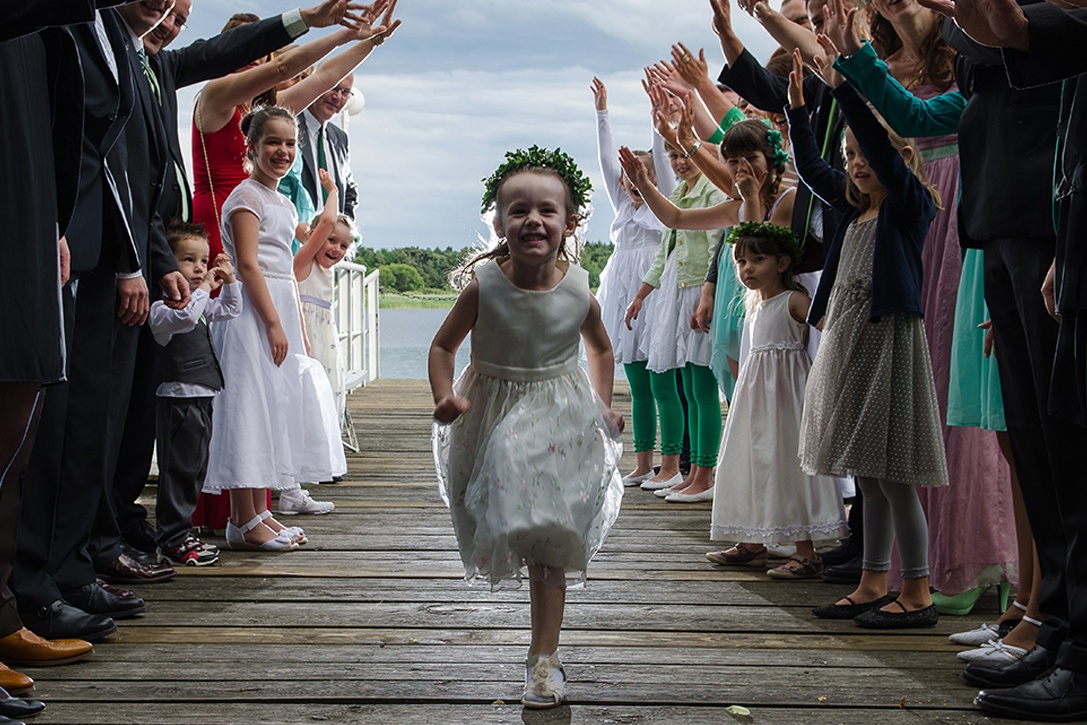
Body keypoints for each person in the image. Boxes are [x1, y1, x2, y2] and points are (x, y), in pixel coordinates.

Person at [106, 0, 360, 561]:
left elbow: (314, 79)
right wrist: (327, 25)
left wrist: (362, 42)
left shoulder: (255, 113)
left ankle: (250, 505)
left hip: (251, 256)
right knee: (209, 381)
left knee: (251, 387)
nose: (268, 65)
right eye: (259, 56)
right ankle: (208, 512)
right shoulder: (215, 99)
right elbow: (279, 71)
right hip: (214, 238)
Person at [429, 146, 625, 709]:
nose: (532, 220)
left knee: (548, 538)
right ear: (498, 220)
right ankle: (540, 647)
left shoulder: (579, 290)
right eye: (518, 210)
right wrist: (445, 394)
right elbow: (443, 345)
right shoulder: (485, 285)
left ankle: (544, 660)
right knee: (513, 513)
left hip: (558, 412)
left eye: (547, 210)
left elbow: (602, 350)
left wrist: (603, 406)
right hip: (491, 406)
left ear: (569, 222)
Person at [786, 47, 948, 628]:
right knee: (869, 472)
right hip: (851, 343)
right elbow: (809, 166)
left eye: (864, 154)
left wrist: (848, 92)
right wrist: (798, 108)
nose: (856, 163)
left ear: (897, 157)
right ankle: (872, 579)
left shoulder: (907, 208)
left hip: (888, 342)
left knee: (894, 473)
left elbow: (879, 147)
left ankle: (919, 591)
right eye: (849, 154)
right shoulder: (854, 213)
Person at [620, 117, 796, 503]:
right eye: (732, 162)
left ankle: (773, 506)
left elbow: (762, 255)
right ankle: (747, 507)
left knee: (770, 411)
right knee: (743, 406)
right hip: (743, 314)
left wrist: (749, 200)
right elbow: (676, 219)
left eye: (750, 158)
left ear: (773, 159)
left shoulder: (789, 199)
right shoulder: (737, 204)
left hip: (779, 316)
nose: (740, 169)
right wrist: (645, 183)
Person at [203, 106, 346, 550]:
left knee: (271, 406)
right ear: (251, 146)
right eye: (272, 142)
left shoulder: (282, 202)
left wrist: (293, 324)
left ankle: (259, 512)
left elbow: (285, 267)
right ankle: (241, 519)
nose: (282, 151)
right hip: (251, 313)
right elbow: (248, 265)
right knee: (249, 406)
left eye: (289, 144)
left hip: (279, 305)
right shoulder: (246, 198)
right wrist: (271, 323)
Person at [704, 222, 847, 576]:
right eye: (741, 263)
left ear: (782, 264)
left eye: (757, 259)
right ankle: (753, 542)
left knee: (787, 465)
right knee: (755, 461)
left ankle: (806, 552)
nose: (747, 269)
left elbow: (830, 331)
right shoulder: (753, 307)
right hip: (756, 396)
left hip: (787, 396)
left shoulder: (794, 300)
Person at [590, 77, 679, 490]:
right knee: (638, 381)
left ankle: (671, 464)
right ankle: (643, 462)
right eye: (627, 176)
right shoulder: (623, 204)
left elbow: (660, 154)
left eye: (638, 174)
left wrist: (656, 120)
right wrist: (602, 113)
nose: (630, 181)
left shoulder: (666, 202)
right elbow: (608, 162)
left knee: (663, 383)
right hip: (622, 291)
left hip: (655, 289)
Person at [149, 223, 242, 567]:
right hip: (178, 397)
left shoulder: (199, 301)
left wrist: (229, 280)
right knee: (179, 470)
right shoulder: (163, 309)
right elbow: (187, 318)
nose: (200, 268)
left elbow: (231, 309)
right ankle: (172, 536)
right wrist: (203, 288)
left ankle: (180, 532)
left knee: (195, 469)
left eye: (203, 261)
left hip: (202, 396)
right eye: (189, 260)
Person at [287, 169, 356, 516]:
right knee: (299, 409)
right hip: (305, 348)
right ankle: (291, 484)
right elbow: (324, 224)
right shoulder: (302, 265)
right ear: (313, 237)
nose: (337, 249)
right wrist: (332, 190)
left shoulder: (327, 273)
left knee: (318, 407)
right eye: (330, 240)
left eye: (344, 245)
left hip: (324, 349)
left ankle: (304, 477)